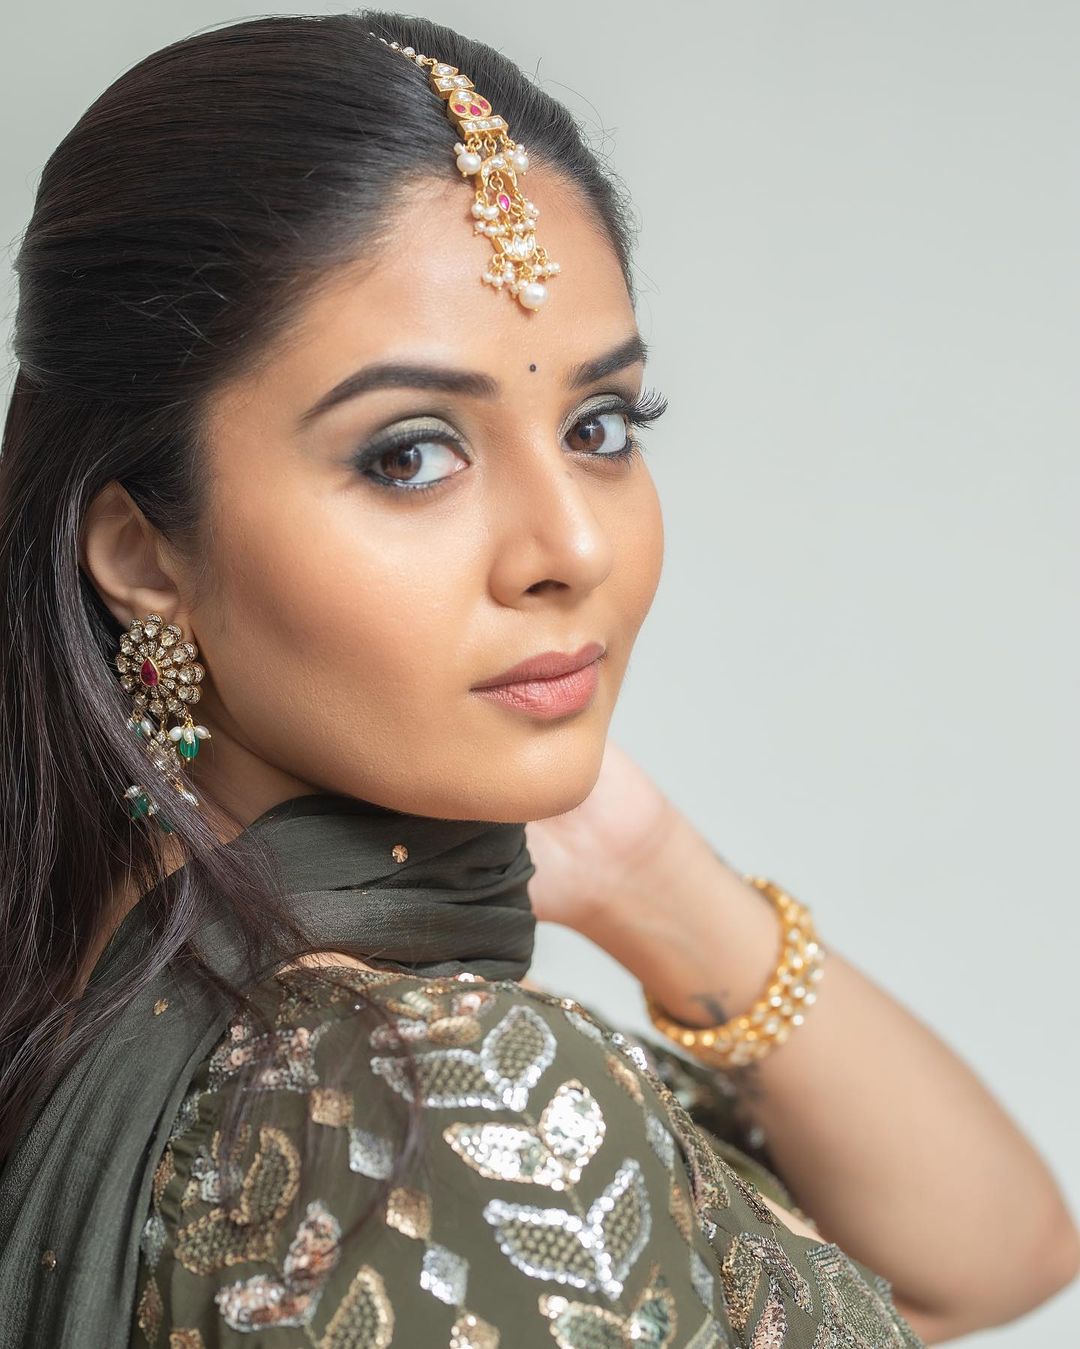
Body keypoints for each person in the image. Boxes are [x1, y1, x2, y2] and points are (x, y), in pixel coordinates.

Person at [0, 11, 1076, 1348]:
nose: (572, 546)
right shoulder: (439, 1099)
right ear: (142, 551)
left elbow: (995, 1256)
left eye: (599, 425)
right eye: (409, 455)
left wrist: (650, 875)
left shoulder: (97, 1002)